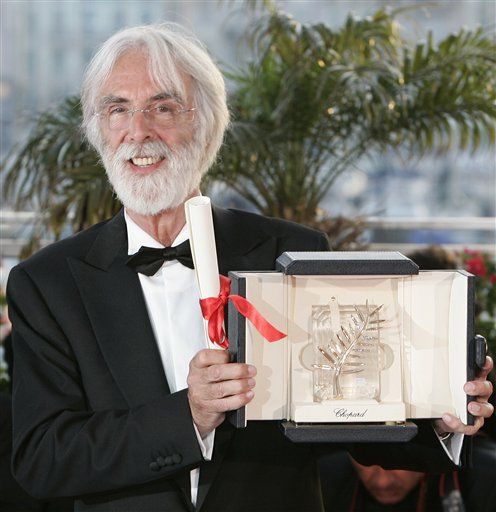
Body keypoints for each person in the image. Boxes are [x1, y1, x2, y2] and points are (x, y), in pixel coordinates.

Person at [6, 24, 494, 512]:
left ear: (205, 125)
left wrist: (442, 416)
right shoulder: (48, 283)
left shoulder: (293, 253)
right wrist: (189, 416)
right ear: (98, 131)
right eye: (118, 110)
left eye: (163, 107)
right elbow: (43, 458)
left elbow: (350, 412)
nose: (138, 131)